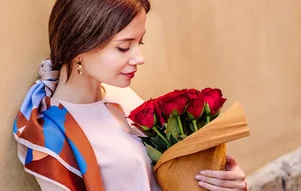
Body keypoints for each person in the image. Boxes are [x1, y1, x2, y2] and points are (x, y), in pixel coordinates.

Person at [12, 0, 248, 190]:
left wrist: (223, 182)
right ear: (79, 48)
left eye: (139, 43)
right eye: (124, 47)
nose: (139, 58)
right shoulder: (50, 133)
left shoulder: (123, 98)